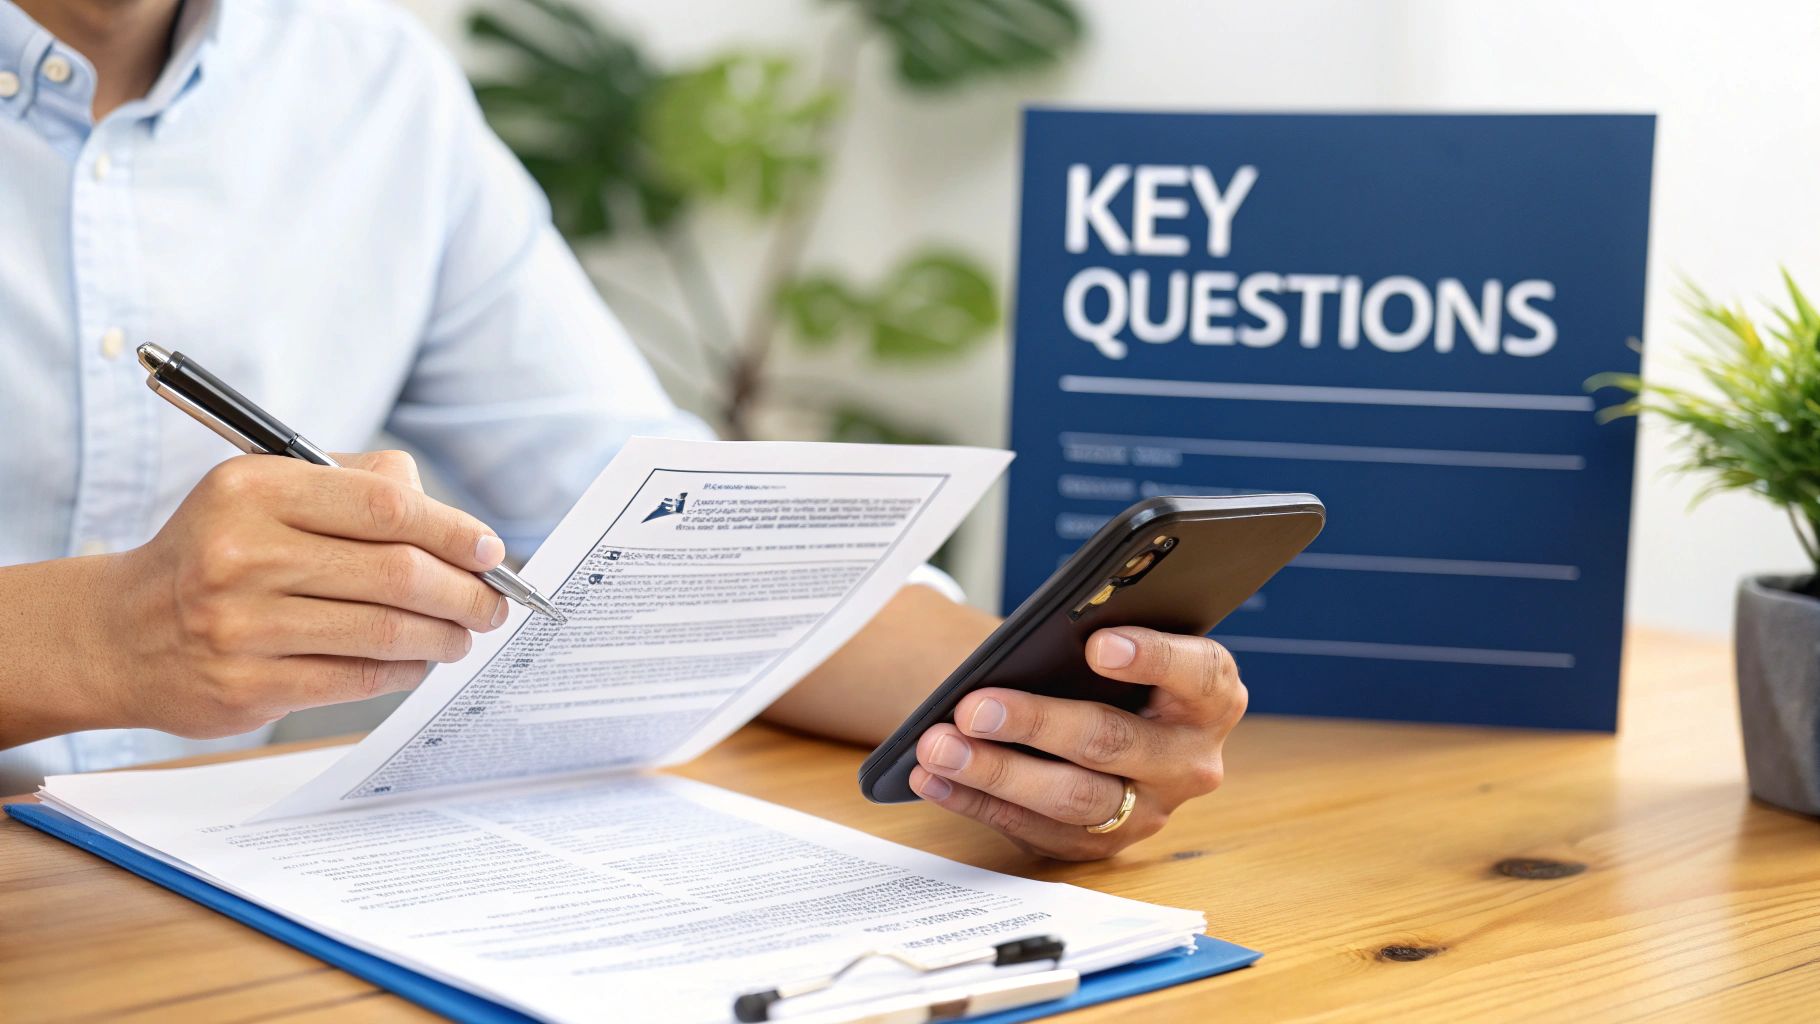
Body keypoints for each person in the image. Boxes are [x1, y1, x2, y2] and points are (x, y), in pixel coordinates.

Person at [0, 0, 1247, 861]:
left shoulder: (370, 88)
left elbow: (670, 537)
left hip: (174, 914)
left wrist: (1037, 710)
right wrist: (94, 636)